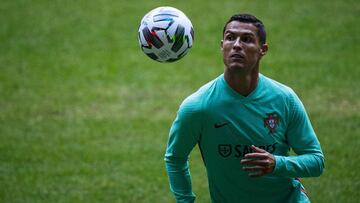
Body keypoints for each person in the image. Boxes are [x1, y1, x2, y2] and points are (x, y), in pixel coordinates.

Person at [164, 13, 325, 203]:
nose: (237, 45)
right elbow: (175, 157)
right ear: (222, 45)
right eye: (231, 38)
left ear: (262, 49)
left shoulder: (284, 99)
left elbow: (316, 161)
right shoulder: (198, 107)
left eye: (247, 39)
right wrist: (185, 201)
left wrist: (277, 164)